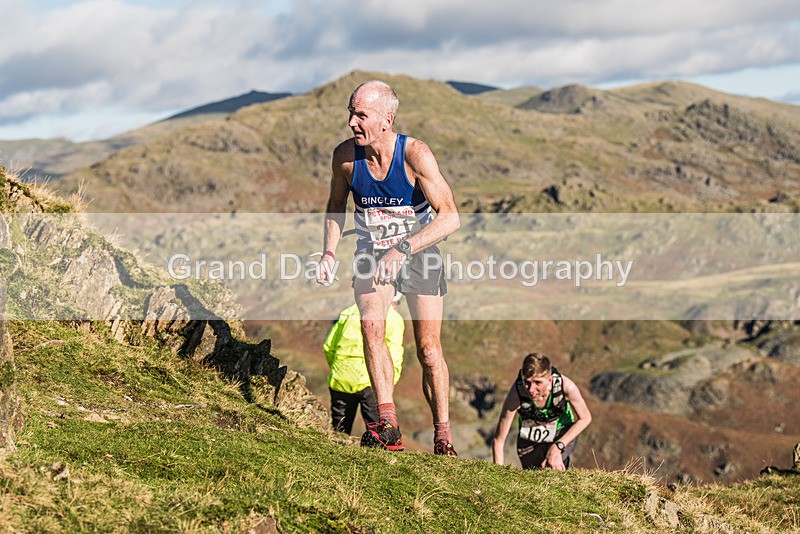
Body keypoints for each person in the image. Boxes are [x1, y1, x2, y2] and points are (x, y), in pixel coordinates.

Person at [316, 79, 460, 455]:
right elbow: (335, 205)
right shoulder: (345, 158)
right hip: (369, 251)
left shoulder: (415, 154)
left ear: (386, 119)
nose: (352, 122)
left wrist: (403, 247)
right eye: (350, 113)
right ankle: (387, 424)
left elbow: (450, 218)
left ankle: (442, 436)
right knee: (370, 326)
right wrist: (329, 252)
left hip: (418, 252)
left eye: (361, 115)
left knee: (428, 350)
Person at [492, 353, 592, 470]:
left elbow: (585, 418)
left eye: (538, 383)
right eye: (527, 382)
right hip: (529, 439)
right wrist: (499, 476)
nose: (531, 390)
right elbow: (498, 440)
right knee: (532, 478)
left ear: (549, 379)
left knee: (552, 470)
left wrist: (558, 446)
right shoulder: (516, 393)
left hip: (560, 433)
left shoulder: (566, 387)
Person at [324, 294, 405, 435]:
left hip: (341, 377)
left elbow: (329, 347)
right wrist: (389, 384)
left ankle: (336, 452)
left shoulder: (349, 312)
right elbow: (395, 354)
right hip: (371, 381)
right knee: (378, 429)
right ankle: (379, 454)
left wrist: (337, 368)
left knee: (340, 429)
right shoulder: (394, 318)